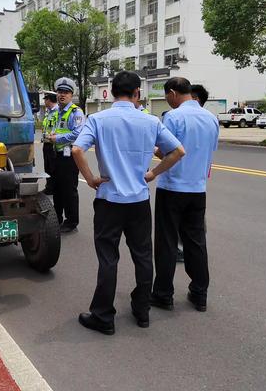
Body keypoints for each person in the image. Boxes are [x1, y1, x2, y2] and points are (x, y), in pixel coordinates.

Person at [72, 72, 185, 334]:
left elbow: (77, 149)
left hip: (109, 199)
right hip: (139, 201)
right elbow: (178, 151)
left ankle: (103, 316)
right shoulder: (150, 121)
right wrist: (153, 174)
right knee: (143, 256)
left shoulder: (98, 119)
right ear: (136, 93)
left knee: (108, 258)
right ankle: (142, 310)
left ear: (112, 92)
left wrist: (90, 179)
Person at [151, 77, 219, 313]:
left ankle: (163, 294)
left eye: (166, 97)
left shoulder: (174, 117)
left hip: (172, 188)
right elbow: (210, 151)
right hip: (198, 189)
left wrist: (153, 153)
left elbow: (168, 152)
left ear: (172, 93)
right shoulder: (211, 118)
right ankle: (200, 294)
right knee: (196, 242)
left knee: (167, 242)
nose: (167, 101)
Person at [175, 83, 210, 263]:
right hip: (199, 181)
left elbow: (173, 152)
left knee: (184, 219)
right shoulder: (210, 120)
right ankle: (194, 248)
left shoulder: (179, 117)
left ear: (195, 99)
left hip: (181, 181)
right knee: (196, 222)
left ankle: (183, 249)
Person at [46, 77, 85, 233]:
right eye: (60, 92)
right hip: (57, 155)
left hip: (69, 157)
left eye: (66, 92)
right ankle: (58, 218)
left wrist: (58, 138)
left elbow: (78, 133)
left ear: (71, 94)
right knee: (56, 188)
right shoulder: (57, 112)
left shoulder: (76, 112)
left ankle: (71, 221)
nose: (62, 95)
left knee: (69, 190)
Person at [41, 91, 58, 195]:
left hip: (52, 144)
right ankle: (49, 187)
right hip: (46, 144)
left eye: (45, 99)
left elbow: (57, 128)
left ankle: (53, 188)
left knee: (52, 167)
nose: (44, 102)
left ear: (48, 100)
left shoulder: (57, 112)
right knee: (47, 167)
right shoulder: (49, 112)